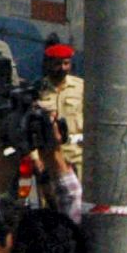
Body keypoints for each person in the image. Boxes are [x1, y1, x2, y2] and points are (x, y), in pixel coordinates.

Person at [37, 42, 86, 179]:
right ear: (48, 64)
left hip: (76, 153)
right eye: (58, 64)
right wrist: (35, 157)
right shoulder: (38, 89)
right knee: (52, 198)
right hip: (48, 154)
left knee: (76, 196)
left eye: (66, 63)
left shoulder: (80, 87)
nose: (62, 68)